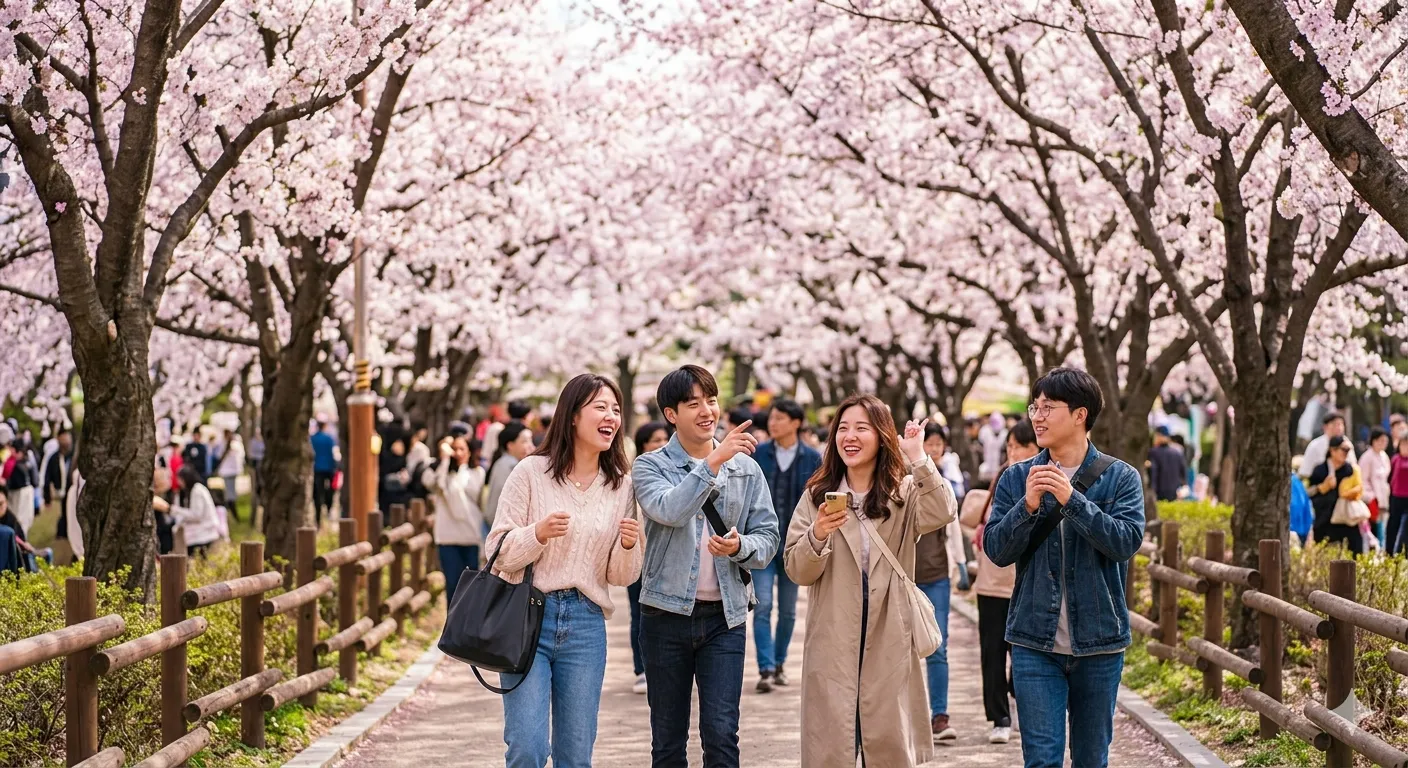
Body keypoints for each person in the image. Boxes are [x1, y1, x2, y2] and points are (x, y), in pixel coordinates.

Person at [984, 368, 1146, 768]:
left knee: (1092, 759)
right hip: (1033, 642)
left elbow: (1125, 542)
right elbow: (996, 551)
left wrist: (1073, 500)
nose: (1036, 416)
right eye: (1034, 407)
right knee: (1041, 762)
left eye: (1048, 408)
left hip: (1100, 641)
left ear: (1080, 415)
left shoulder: (1121, 478)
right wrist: (1028, 507)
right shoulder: (1017, 478)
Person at [783, 395, 956, 767]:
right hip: (833, 633)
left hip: (890, 631)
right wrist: (816, 535)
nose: (850, 436)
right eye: (843, 428)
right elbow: (796, 569)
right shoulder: (816, 498)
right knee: (833, 742)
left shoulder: (904, 492)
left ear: (881, 436)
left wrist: (918, 458)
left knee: (888, 741)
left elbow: (943, 511)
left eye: (862, 428)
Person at [485, 374, 643, 768]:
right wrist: (536, 534)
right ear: (572, 416)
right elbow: (496, 551)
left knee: (575, 756)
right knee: (527, 749)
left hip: (587, 624)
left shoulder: (621, 485)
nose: (611, 417)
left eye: (616, 410)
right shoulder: (530, 473)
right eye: (601, 408)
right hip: (527, 619)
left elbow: (622, 576)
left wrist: (628, 545)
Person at [632, 365, 779, 768]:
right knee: (667, 740)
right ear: (670, 414)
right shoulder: (650, 466)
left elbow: (768, 539)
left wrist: (740, 546)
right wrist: (713, 462)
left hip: (724, 619)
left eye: (711, 400)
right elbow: (670, 510)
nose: (706, 411)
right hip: (664, 616)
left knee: (721, 736)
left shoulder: (747, 468)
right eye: (693, 403)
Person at [960, 419, 1037, 745]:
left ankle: (1018, 704)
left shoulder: (1049, 481)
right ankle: (999, 717)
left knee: (1025, 654)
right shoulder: (998, 482)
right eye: (1010, 447)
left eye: (1022, 446)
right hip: (993, 583)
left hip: (1028, 586)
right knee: (992, 653)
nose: (1015, 453)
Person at [749, 398, 822, 694]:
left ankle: (780, 663)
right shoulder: (758, 454)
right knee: (763, 605)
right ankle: (765, 668)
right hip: (763, 542)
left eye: (780, 418)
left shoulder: (812, 458)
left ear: (796, 423)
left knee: (789, 610)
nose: (773, 423)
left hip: (796, 544)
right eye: (772, 418)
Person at [914, 422, 969, 743]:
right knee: (896, 650)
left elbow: (953, 525)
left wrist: (961, 564)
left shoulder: (946, 483)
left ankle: (939, 715)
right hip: (903, 577)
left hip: (936, 577)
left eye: (937, 444)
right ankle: (903, 717)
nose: (933, 449)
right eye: (928, 443)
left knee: (938, 646)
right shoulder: (900, 479)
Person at [629, 421, 672, 695]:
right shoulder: (635, 474)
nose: (661, 444)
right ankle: (641, 669)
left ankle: (664, 667)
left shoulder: (675, 472)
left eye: (664, 439)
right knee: (638, 614)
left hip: (664, 556)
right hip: (637, 555)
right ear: (643, 444)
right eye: (655, 440)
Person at [425, 433, 487, 603]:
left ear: (469, 452)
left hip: (471, 537)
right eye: (455, 449)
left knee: (471, 589)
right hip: (448, 538)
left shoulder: (478, 473)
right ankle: (451, 628)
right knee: (452, 587)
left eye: (462, 449)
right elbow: (435, 485)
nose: (458, 453)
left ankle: (468, 628)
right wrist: (444, 459)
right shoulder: (444, 475)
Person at [1308, 436, 1363, 552]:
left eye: (1348, 450)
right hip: (1324, 518)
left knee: (1356, 549)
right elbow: (1309, 492)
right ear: (1332, 450)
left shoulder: (1350, 470)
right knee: (1322, 551)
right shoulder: (1320, 470)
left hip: (1346, 517)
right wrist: (1322, 487)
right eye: (1343, 450)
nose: (1346, 453)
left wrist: (1351, 492)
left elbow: (1358, 488)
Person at [157, 465, 224, 558]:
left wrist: (173, 510)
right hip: (197, 535)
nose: (179, 482)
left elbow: (196, 515)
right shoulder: (190, 491)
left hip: (203, 534)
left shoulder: (197, 490)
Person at [484, 422, 535, 533]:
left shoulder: (505, 462)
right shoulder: (510, 466)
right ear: (510, 445)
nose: (531, 446)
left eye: (531, 440)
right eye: (525, 441)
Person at [1299, 412, 1356, 479]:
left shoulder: (1347, 444)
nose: (1339, 428)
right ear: (1325, 427)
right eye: (1335, 424)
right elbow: (1305, 473)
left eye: (1341, 424)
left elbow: (1354, 467)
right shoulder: (1314, 446)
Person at [1361, 428, 1392, 549]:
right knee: (1372, 531)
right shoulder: (1367, 457)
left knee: (1382, 530)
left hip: (1383, 500)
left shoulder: (1384, 456)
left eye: (1385, 441)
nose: (1383, 443)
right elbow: (1363, 480)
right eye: (1380, 440)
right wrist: (1371, 497)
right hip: (1371, 501)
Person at [1148, 426, 1188, 502]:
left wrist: (1152, 490)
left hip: (1159, 492)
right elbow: (1183, 472)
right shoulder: (1177, 452)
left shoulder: (1153, 452)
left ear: (1159, 436)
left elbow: (1154, 472)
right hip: (1175, 492)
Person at [311, 420, 339, 526]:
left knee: (317, 493)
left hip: (316, 469)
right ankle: (328, 509)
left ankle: (318, 518)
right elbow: (333, 454)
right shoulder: (329, 439)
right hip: (328, 468)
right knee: (330, 491)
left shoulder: (312, 439)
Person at [215, 430, 244, 521]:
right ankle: (231, 512)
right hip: (226, 471)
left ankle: (231, 512)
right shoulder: (222, 444)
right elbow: (218, 455)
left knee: (231, 491)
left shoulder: (235, 444)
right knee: (229, 492)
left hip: (232, 470)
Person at [1388, 437, 1408, 555]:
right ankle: (1390, 552)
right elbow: (1390, 477)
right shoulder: (1395, 459)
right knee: (1393, 525)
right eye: (1403, 444)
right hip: (1397, 496)